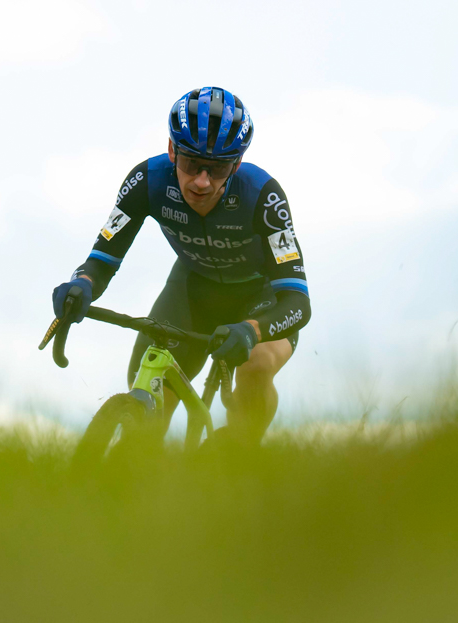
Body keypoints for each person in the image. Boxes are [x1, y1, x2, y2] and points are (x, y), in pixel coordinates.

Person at [52, 87, 311, 445]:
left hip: (260, 299)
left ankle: (240, 449)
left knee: (258, 364)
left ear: (236, 165)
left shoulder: (263, 196)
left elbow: (298, 303)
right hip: (193, 290)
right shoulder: (147, 180)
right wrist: (81, 284)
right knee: (147, 389)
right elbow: (102, 259)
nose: (202, 181)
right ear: (172, 151)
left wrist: (252, 330)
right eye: (191, 164)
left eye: (218, 168)